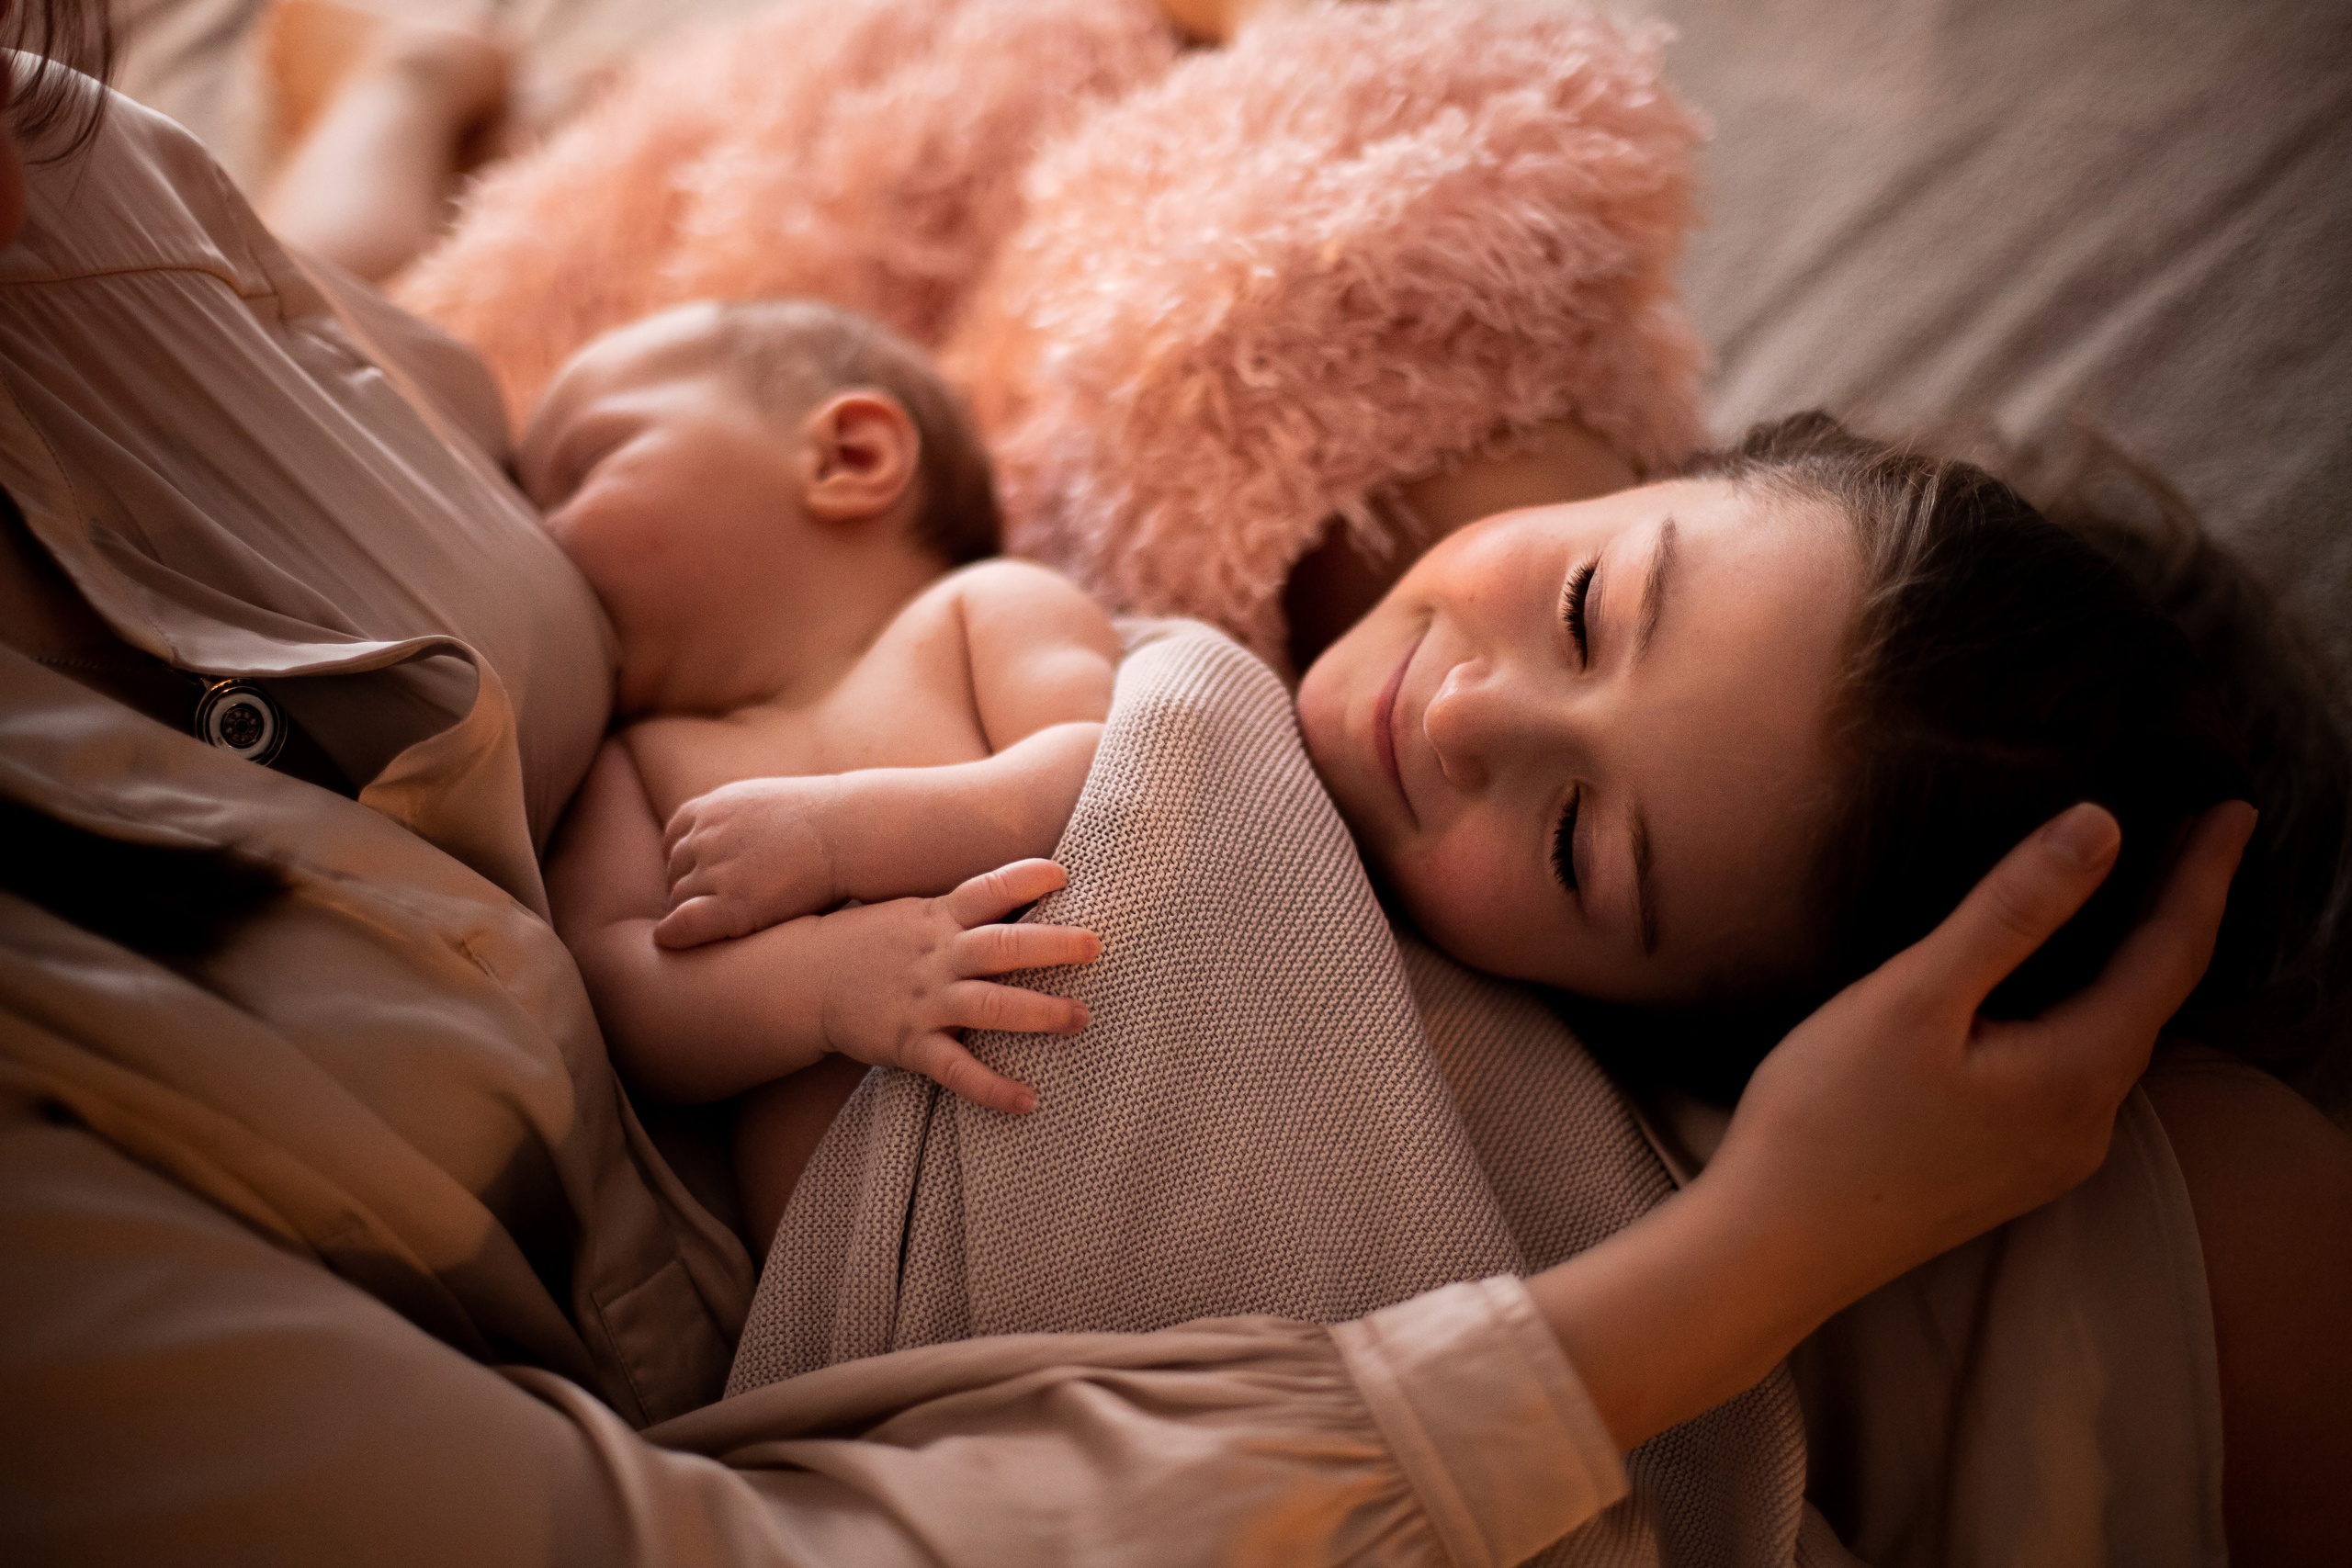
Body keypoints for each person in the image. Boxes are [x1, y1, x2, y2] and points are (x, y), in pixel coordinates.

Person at [0, 13, 2335, 1568]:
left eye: (1579, 834)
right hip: (1085, 1365)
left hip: (1521, 1176)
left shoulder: (83, 202)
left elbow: (435, 391)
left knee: (2209, 1190)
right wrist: (1759, 1252)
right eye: (1588, 615)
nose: (1472, 712)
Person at [525, 298, 1122, 1244]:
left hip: (1114, 1151)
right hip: (867, 1309)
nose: (533, 535)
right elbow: (613, 990)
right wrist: (821, 986)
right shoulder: (632, 764)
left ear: (848, 458)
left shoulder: (982, 614)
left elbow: (1109, 773)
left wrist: (841, 839)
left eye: (583, 470)